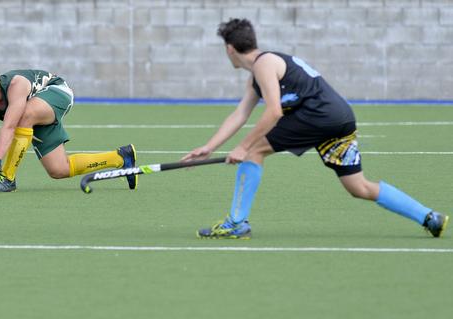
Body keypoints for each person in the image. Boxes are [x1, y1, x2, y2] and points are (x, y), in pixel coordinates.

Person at [182, 18, 448, 239]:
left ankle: (236, 224)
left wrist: (244, 146)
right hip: (340, 118)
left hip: (316, 117)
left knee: (253, 153)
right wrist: (208, 147)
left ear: (230, 49)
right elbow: (240, 114)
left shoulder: (265, 64)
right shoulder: (259, 73)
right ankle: (429, 217)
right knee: (358, 187)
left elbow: (274, 111)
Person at [0, 64, 137, 192]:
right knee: (59, 169)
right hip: (34, 113)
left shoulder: (15, 84)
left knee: (24, 115)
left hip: (56, 92)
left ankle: (7, 179)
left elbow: (10, 126)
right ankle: (121, 157)